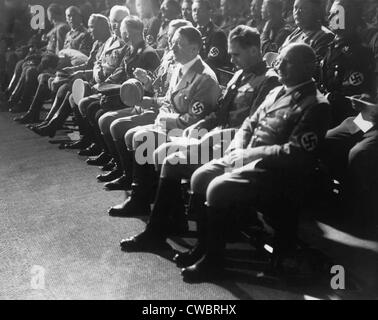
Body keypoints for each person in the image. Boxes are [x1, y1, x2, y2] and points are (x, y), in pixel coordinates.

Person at [119, 43, 331, 283]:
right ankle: (177, 239)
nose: (280, 65)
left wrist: (250, 155)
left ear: (309, 67)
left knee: (216, 187)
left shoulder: (316, 104)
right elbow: (250, 123)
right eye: (280, 59)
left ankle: (213, 261)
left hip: (276, 172)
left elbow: (296, 153)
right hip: (247, 157)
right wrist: (236, 149)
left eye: (288, 62)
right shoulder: (278, 92)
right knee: (199, 175)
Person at [108, 25, 280, 218]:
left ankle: (163, 214)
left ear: (254, 51)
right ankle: (163, 210)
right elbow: (219, 111)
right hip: (214, 135)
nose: (231, 60)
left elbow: (252, 125)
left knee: (160, 152)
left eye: (236, 55)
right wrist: (203, 125)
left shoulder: (268, 81)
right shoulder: (240, 74)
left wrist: (210, 133)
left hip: (235, 145)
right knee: (153, 148)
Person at [108, 26, 221, 216]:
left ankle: (140, 200)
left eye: (179, 44)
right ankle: (146, 192)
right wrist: (151, 102)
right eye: (172, 44)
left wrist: (164, 120)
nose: (173, 49)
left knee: (142, 137)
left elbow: (194, 120)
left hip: (189, 134)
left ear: (194, 49)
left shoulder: (205, 78)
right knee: (131, 134)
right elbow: (169, 101)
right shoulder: (179, 67)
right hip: (169, 124)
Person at [96, 19, 192, 190]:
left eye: (175, 39)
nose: (170, 42)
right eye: (169, 37)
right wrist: (147, 80)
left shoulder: (184, 63)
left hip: (162, 111)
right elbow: (157, 84)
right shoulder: (169, 57)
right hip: (155, 104)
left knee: (118, 126)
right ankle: (125, 171)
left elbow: (175, 100)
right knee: (106, 120)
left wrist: (151, 100)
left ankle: (133, 178)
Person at [24, 14, 113, 135]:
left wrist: (80, 72)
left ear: (103, 28)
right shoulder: (97, 43)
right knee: (56, 82)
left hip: (98, 83)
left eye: (92, 27)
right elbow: (88, 64)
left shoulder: (111, 44)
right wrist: (71, 69)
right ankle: (48, 122)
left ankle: (51, 125)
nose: (89, 30)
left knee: (66, 89)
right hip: (87, 78)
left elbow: (105, 71)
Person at [321, 94, 378, 237]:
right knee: (326, 140)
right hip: (366, 120)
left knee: (358, 154)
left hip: (374, 125)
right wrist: (365, 100)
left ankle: (355, 208)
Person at [320, 0, 376, 127]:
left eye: (335, 13)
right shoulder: (332, 46)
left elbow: (352, 100)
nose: (329, 17)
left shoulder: (358, 53)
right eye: (330, 13)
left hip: (351, 121)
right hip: (328, 111)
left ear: (349, 17)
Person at [191, 0, 231, 72]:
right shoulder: (191, 32)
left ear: (209, 12)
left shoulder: (217, 34)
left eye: (200, 10)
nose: (196, 13)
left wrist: (191, 67)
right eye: (194, 10)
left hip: (209, 74)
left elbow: (213, 60)